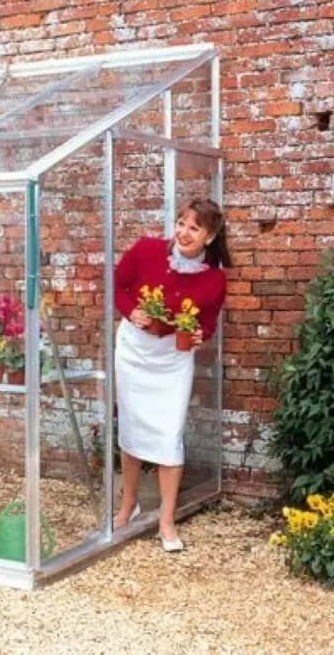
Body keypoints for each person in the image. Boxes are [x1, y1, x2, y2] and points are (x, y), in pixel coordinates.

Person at [111, 198, 231, 552]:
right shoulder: (146, 250)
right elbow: (118, 286)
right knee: (132, 425)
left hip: (173, 359)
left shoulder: (214, 280)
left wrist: (199, 336)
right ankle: (127, 506)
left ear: (209, 237)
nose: (183, 232)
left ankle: (166, 521)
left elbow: (207, 323)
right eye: (181, 223)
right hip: (134, 350)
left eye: (194, 227)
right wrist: (133, 312)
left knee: (169, 434)